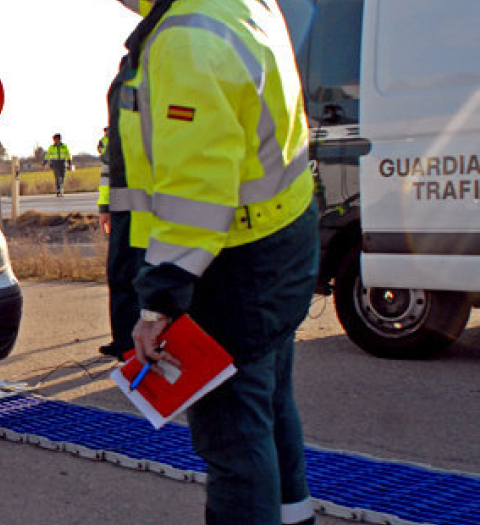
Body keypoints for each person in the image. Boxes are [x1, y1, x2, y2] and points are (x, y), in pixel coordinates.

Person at [115, 1, 318, 524]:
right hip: (279, 245)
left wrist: (160, 299)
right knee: (271, 410)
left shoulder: (186, 37)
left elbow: (196, 187)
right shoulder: (241, 5)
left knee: (233, 439)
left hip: (228, 271)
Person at [97, 57, 144, 362]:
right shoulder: (125, 81)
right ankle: (124, 341)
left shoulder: (153, 74)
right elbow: (108, 167)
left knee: (145, 278)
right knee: (121, 276)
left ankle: (138, 342)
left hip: (152, 208)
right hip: (124, 209)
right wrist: (105, 207)